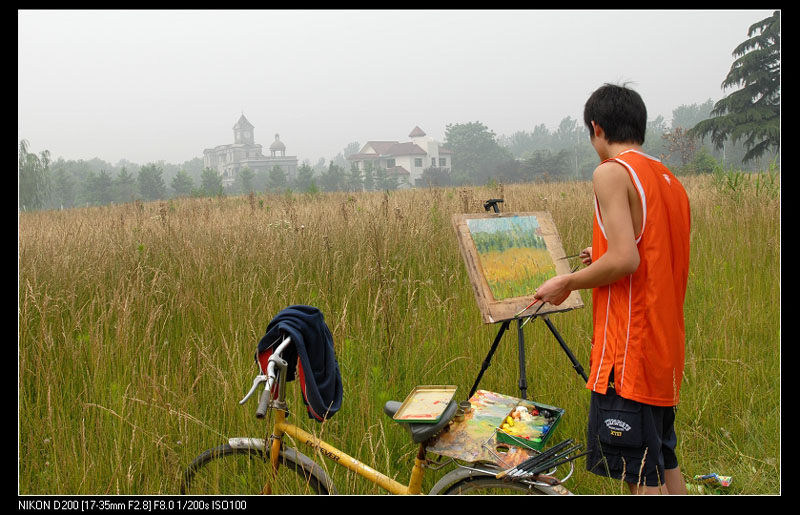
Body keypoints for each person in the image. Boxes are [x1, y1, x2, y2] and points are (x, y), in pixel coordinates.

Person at [533, 83, 691, 494]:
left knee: (640, 475)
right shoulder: (667, 179)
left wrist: (566, 281)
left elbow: (626, 260)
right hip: (664, 347)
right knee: (662, 459)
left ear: (596, 128)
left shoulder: (611, 172)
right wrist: (598, 252)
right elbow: (647, 250)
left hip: (630, 351)